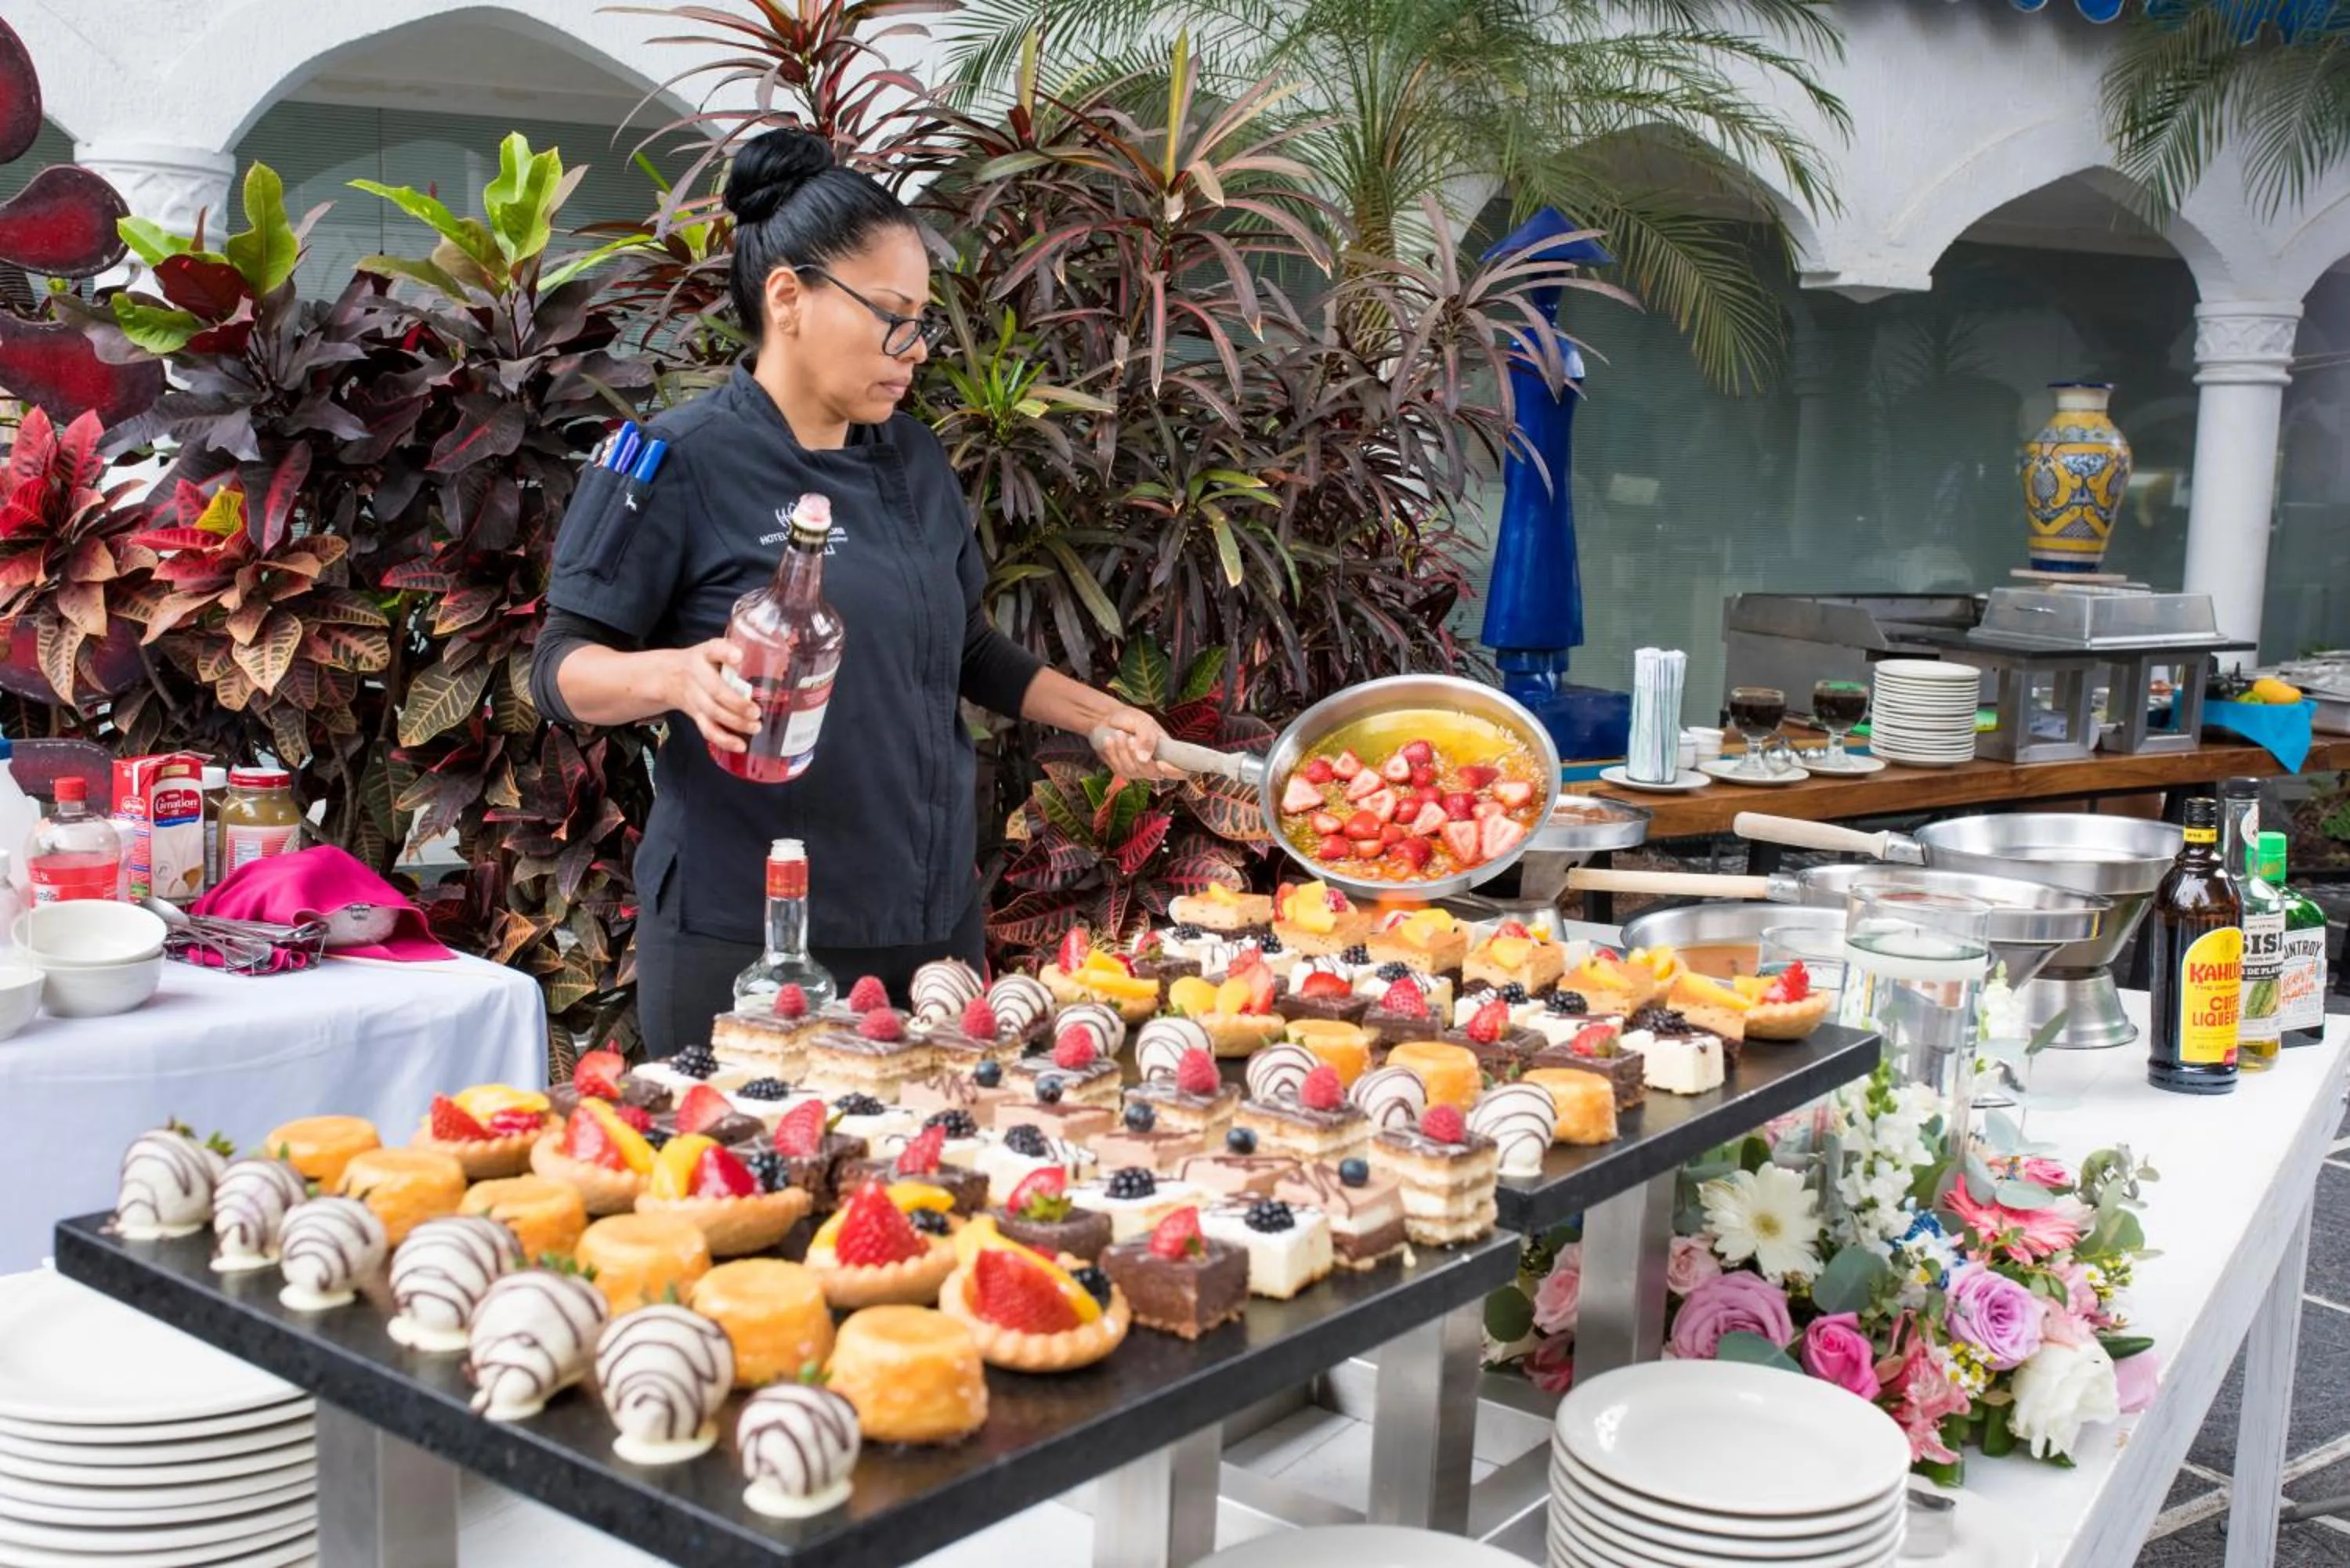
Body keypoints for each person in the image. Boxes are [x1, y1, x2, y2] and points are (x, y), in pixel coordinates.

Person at [532, 128, 1177, 1058]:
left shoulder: (912, 459)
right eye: (890, 315)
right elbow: (559, 666)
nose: (913, 349)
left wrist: (1103, 715)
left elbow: (967, 651)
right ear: (787, 297)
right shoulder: (675, 459)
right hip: (745, 932)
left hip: (925, 926)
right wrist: (675, 677)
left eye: (921, 321)